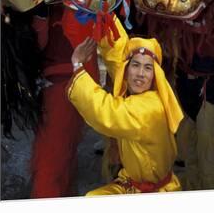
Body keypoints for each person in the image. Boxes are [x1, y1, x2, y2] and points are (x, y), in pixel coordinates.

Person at [66, 17, 184, 195]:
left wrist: (77, 66)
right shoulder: (138, 91)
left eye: (147, 68)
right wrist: (105, 14)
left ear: (155, 75)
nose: (140, 74)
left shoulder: (150, 108)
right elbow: (118, 54)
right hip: (131, 183)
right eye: (135, 65)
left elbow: (107, 111)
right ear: (127, 70)